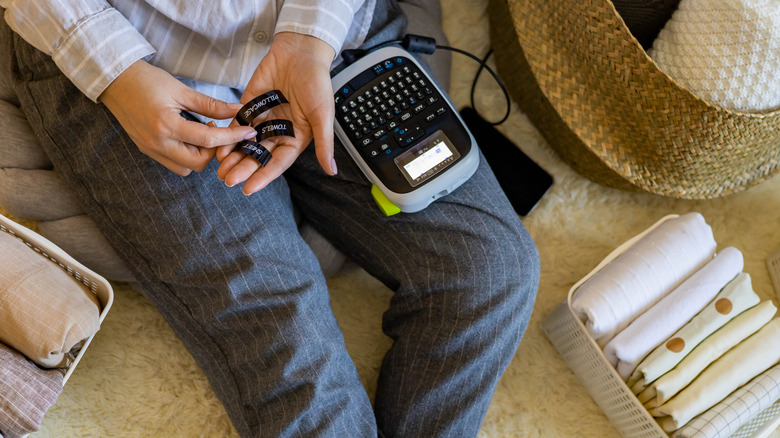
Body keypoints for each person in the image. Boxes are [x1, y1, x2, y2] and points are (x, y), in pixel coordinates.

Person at [2, 0, 540, 436]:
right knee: (298, 370)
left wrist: (310, 36)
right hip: (133, 60)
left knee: (492, 270)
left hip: (334, 37)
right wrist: (112, 69)